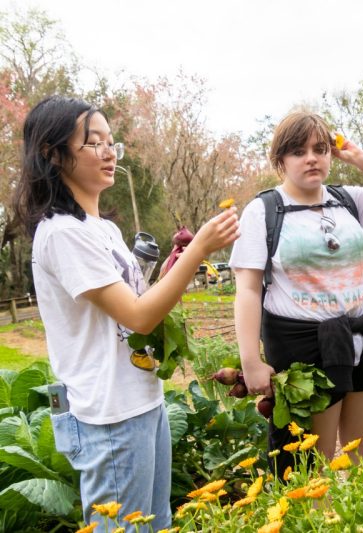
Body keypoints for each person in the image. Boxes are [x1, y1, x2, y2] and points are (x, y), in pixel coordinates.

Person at [12, 95, 240, 531]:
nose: (110, 151)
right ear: (51, 153)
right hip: (108, 417)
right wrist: (199, 249)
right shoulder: (62, 234)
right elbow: (138, 317)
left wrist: (176, 266)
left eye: (112, 141)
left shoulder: (103, 229)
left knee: (153, 525)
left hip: (140, 400)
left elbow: (133, 306)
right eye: (92, 142)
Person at [230, 111, 363, 469]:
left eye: (320, 149)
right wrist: (251, 360)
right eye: (298, 151)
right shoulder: (264, 211)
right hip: (306, 352)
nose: (312, 158)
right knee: (312, 465)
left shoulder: (347, 201)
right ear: (280, 160)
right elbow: (248, 290)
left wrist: (359, 158)